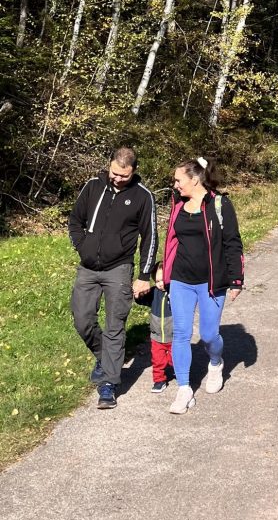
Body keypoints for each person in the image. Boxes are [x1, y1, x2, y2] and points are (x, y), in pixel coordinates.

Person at [68, 145, 157, 409]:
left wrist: (144, 275)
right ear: (109, 165)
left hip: (119, 268)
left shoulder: (143, 196)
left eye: (124, 176)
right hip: (88, 267)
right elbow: (75, 220)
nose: (117, 179)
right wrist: (82, 246)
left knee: (115, 326)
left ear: (134, 171)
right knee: (82, 320)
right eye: (114, 173)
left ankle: (108, 384)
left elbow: (150, 237)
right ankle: (104, 356)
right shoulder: (93, 186)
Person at [162, 157, 244, 415]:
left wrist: (236, 279)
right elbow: (171, 240)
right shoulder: (177, 204)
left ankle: (216, 362)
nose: (175, 185)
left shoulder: (220, 204)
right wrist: (163, 271)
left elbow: (232, 242)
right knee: (181, 333)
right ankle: (184, 389)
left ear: (195, 179)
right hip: (181, 280)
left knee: (209, 335)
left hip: (211, 282)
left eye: (179, 180)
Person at [148, 265, 173, 393]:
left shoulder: (175, 292)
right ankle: (159, 380)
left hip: (173, 336)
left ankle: (178, 370)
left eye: (163, 280)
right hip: (156, 336)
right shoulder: (154, 292)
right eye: (157, 281)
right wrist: (138, 294)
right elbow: (142, 299)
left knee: (174, 359)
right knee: (157, 360)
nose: (160, 284)